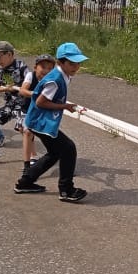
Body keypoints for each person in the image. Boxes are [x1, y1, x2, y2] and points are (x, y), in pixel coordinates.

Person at [14, 42, 89, 202]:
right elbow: (41, 102)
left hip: (41, 120)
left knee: (55, 153)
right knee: (68, 148)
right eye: (72, 63)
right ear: (60, 63)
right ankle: (66, 190)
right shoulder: (55, 79)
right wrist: (65, 106)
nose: (76, 66)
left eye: (78, 63)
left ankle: (25, 183)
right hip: (40, 121)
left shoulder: (64, 75)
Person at [17, 54, 56, 166]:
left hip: (42, 111)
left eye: (50, 68)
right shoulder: (30, 75)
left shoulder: (53, 81)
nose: (46, 71)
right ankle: (28, 162)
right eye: (43, 67)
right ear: (35, 67)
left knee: (37, 133)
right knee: (27, 132)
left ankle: (33, 159)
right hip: (26, 109)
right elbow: (23, 90)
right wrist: (35, 94)